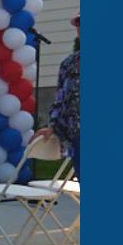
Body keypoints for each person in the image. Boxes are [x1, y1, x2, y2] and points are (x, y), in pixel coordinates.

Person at [46, 14, 80, 177]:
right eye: (79, 25)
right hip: (77, 135)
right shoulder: (69, 63)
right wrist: (52, 125)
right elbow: (60, 98)